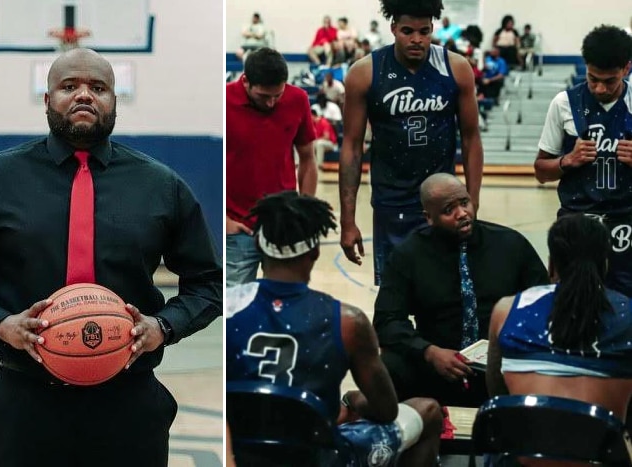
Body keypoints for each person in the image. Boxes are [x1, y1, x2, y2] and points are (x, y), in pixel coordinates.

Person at [0, 48, 223, 467]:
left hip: (129, 402)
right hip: (25, 401)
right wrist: (0, 323)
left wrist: (163, 326)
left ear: (114, 102)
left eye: (98, 87)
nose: (84, 95)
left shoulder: (161, 186)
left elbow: (208, 284)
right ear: (48, 100)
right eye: (69, 86)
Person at [226, 191, 443, 466]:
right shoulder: (348, 321)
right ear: (316, 251)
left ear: (258, 244)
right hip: (321, 457)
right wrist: (353, 401)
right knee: (428, 411)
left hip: (242, 455)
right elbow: (386, 410)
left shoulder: (229, 308)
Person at [339, 0, 484, 286]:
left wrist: (473, 204)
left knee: (444, 294)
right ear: (392, 27)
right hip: (390, 202)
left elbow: (471, 138)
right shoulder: (365, 72)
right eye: (407, 31)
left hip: (442, 201)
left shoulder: (456, 68)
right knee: (396, 296)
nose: (417, 39)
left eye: (424, 31)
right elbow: (352, 147)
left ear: (433, 29)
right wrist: (348, 220)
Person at [373, 174, 549, 407]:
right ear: (429, 218)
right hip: (438, 363)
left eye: (464, 203)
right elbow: (386, 321)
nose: (462, 214)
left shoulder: (510, 244)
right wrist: (429, 352)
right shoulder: (408, 255)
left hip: (503, 362)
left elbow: (544, 303)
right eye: (449, 210)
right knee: (388, 365)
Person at [487, 214, 632, 435]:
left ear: (552, 265)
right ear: (605, 264)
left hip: (522, 454)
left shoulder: (506, 311)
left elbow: (496, 392)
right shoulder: (628, 314)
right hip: (601, 456)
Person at [534, 24, 632, 298]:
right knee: (572, 302)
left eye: (609, 81)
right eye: (592, 78)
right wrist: (567, 161)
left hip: (626, 222)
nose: (600, 88)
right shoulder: (563, 103)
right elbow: (541, 171)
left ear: (626, 68)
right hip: (575, 223)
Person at [226, 47, 317, 287]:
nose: (271, 102)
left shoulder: (298, 99)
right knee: (236, 309)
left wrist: (305, 214)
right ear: (245, 81)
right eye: (263, 96)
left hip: (283, 225)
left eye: (277, 95)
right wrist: (224, 220)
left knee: (285, 301)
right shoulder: (224, 102)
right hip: (238, 229)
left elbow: (308, 159)